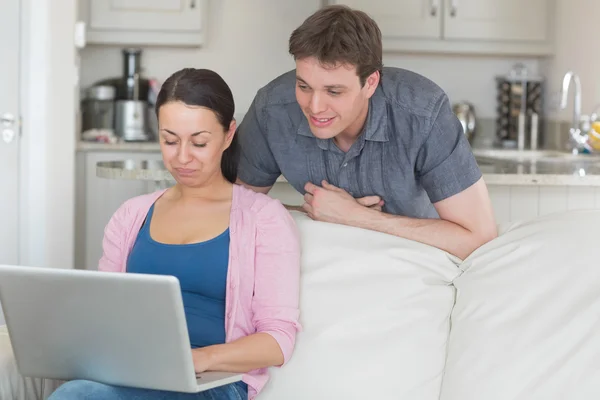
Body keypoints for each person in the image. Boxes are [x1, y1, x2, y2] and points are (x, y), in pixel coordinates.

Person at [48, 68, 301, 400]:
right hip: (134, 372)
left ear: (228, 136)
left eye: (199, 142)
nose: (182, 157)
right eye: (170, 140)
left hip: (213, 383)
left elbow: (278, 338)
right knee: (76, 391)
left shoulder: (264, 219)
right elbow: (105, 313)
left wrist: (199, 359)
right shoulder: (130, 216)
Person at [236, 5, 497, 260]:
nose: (314, 107)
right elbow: (229, 209)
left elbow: (479, 238)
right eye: (304, 86)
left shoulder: (423, 113)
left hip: (416, 263)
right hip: (321, 267)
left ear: (370, 83)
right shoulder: (272, 109)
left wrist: (359, 218)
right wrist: (314, 213)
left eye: (334, 91)